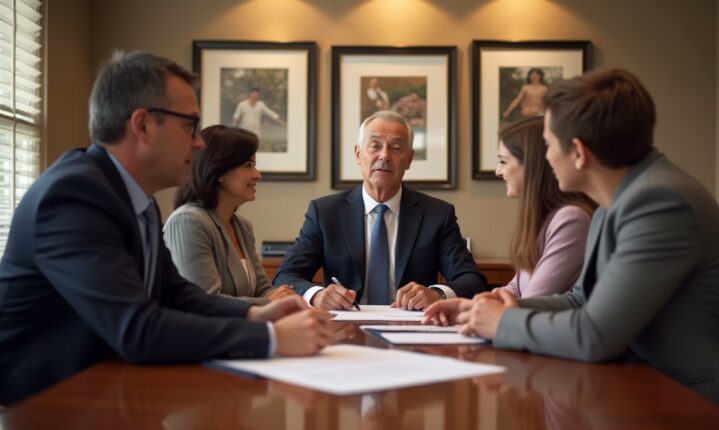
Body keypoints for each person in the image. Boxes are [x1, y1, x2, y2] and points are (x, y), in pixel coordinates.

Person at [0, 52, 332, 405]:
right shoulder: (74, 196)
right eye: (190, 125)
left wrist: (254, 312)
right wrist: (270, 337)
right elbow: (137, 328)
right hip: (45, 404)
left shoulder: (135, 198)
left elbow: (176, 293)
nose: (199, 142)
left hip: (107, 387)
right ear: (142, 125)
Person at [424, 68, 719, 410]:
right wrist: (493, 308)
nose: (545, 158)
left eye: (548, 145)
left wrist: (502, 322)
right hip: (647, 383)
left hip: (705, 403)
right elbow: (580, 299)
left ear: (577, 151)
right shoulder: (614, 203)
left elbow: (594, 336)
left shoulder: (661, 203)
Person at [273, 110, 486, 311]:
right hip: (344, 327)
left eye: (395, 148)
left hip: (411, 329)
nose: (384, 156)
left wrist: (437, 294)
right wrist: (316, 294)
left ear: (409, 159)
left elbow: (472, 279)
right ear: (358, 154)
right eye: (375, 146)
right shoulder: (325, 212)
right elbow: (286, 275)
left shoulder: (437, 214)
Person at [163, 125, 296, 304]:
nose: (258, 175)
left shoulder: (242, 226)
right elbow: (203, 302)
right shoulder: (188, 221)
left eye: (254, 165)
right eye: (249, 165)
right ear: (219, 171)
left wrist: (283, 296)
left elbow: (262, 289)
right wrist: (272, 302)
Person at [495, 116, 595, 298]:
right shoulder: (541, 218)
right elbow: (517, 287)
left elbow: (532, 300)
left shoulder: (571, 219)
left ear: (531, 165)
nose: (498, 171)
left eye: (503, 161)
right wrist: (490, 299)